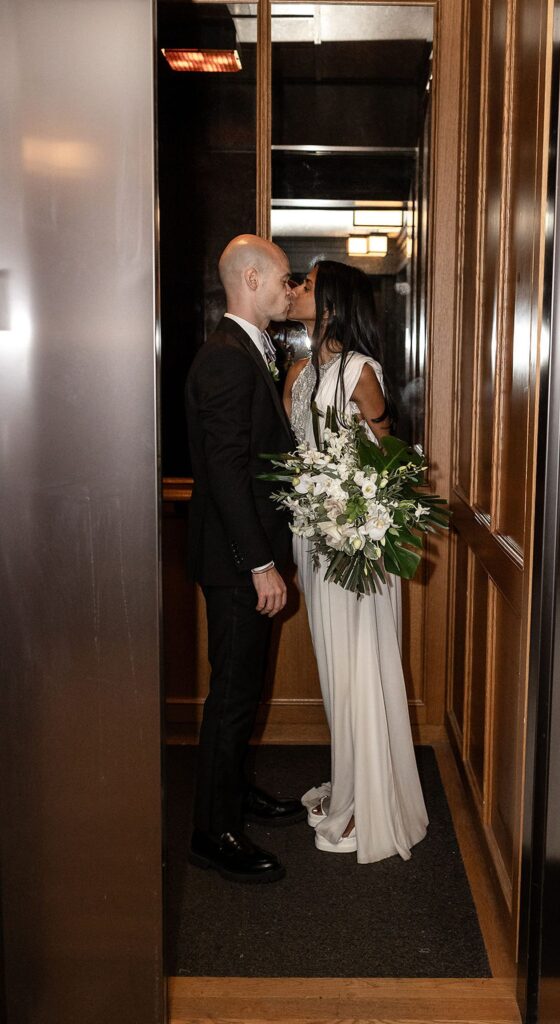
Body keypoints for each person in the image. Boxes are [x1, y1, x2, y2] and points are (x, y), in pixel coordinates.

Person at [283, 260, 429, 863]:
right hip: (314, 541)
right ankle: (348, 781)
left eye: (307, 286)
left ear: (333, 305)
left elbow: (391, 461)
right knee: (334, 671)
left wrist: (356, 507)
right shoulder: (296, 372)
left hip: (359, 547)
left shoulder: (361, 373)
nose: (294, 291)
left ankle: (369, 803)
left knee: (362, 668)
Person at [185, 234, 305, 885]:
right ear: (252, 278)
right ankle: (214, 831)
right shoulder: (227, 360)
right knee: (231, 696)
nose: (290, 291)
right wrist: (259, 564)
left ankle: (234, 795)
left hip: (242, 555)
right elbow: (228, 475)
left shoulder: (244, 351)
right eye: (285, 279)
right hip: (236, 562)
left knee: (242, 690)